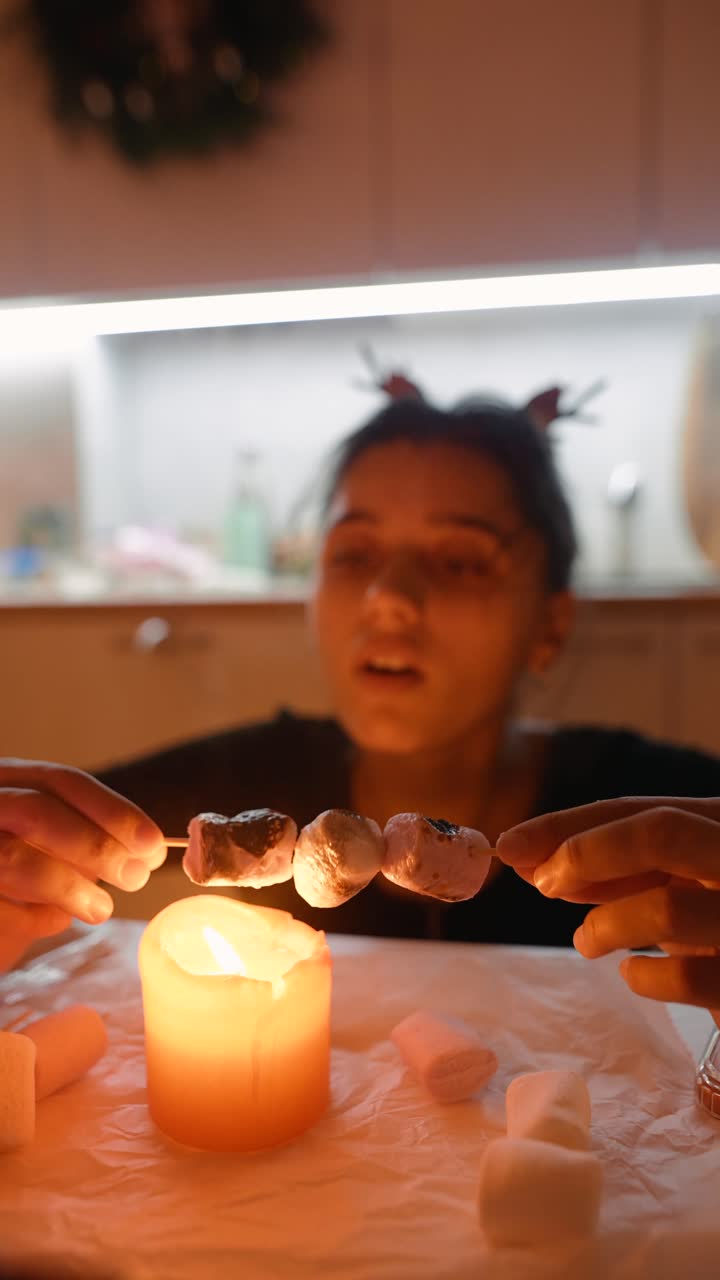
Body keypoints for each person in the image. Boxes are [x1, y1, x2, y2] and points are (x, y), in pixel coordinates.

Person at [2, 393, 720, 995]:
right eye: (354, 555)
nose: (389, 599)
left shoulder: (663, 824)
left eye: (459, 562)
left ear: (550, 624)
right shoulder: (234, 781)